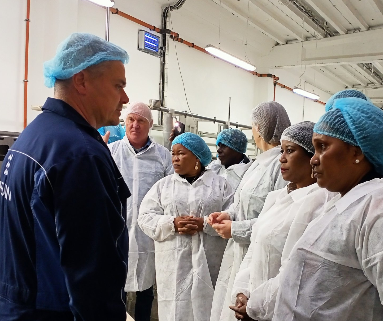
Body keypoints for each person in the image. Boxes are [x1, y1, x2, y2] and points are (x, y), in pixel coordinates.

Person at [272, 97, 383, 321]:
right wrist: (254, 305)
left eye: (323, 147)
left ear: (357, 153)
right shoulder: (342, 203)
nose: (313, 160)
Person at [0, 33, 131, 320]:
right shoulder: (79, 154)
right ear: (81, 81)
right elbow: (93, 272)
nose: (125, 98)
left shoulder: (32, 138)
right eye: (118, 85)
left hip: (18, 305)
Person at [138, 132, 234, 321]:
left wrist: (205, 223)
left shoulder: (220, 185)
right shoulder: (163, 186)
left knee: (208, 310)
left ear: (196, 157)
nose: (175, 158)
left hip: (210, 265)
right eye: (173, 153)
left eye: (181, 153)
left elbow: (234, 214)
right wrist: (171, 223)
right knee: (175, 311)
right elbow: (145, 217)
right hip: (173, 268)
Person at [229, 121, 320, 320]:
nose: (282, 159)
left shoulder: (316, 204)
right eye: (282, 151)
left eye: (290, 151)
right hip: (255, 305)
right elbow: (254, 249)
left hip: (282, 310)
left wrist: (256, 306)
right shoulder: (276, 198)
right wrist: (243, 291)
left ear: (311, 157)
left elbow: (294, 272)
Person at [209, 101, 291, 321]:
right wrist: (230, 214)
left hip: (260, 255)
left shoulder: (281, 166)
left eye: (254, 126)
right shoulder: (258, 164)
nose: (252, 132)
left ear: (261, 129)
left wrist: (236, 229)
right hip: (237, 253)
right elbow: (244, 200)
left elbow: (279, 220)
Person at [109, 102, 173, 321]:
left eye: (141, 121)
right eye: (131, 119)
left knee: (146, 290)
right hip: (117, 231)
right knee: (115, 288)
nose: (135, 125)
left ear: (150, 125)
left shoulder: (163, 156)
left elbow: (171, 194)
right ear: (124, 122)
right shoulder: (111, 151)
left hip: (149, 236)